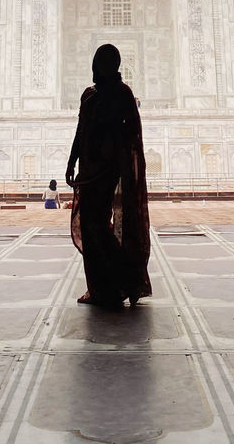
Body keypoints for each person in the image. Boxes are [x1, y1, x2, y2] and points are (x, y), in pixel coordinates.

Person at [65, 43, 152, 310]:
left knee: (97, 226)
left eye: (108, 62)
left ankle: (121, 281)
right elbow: (81, 131)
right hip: (89, 169)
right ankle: (104, 286)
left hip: (109, 168)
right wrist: (71, 162)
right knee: (93, 228)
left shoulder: (123, 94)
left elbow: (132, 134)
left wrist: (125, 162)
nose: (104, 67)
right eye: (101, 62)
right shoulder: (89, 95)